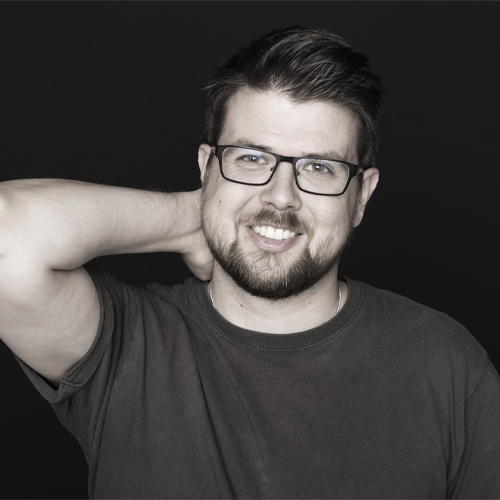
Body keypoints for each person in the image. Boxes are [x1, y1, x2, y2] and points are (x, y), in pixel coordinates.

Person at [0, 26, 499, 499]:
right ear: (207, 168)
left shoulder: (444, 363)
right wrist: (187, 218)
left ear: (361, 196)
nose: (280, 197)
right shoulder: (129, 344)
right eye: (251, 159)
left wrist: (225, 211)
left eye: (319, 167)